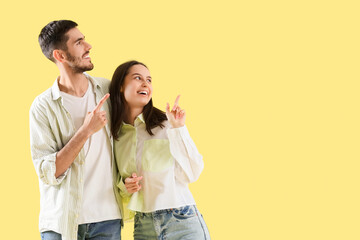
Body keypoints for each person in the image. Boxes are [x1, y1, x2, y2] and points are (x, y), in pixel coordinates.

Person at [29, 20, 123, 240]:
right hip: (61, 222)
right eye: (79, 42)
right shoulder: (43, 106)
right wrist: (86, 131)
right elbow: (48, 172)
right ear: (60, 56)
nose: (88, 46)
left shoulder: (107, 90)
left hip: (106, 219)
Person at [109, 60, 210, 239]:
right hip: (143, 226)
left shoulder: (166, 124)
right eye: (137, 78)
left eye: (149, 80)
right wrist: (125, 186)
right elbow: (118, 183)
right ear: (120, 86)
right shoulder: (116, 135)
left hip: (181, 219)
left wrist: (179, 128)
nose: (145, 84)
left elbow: (193, 172)